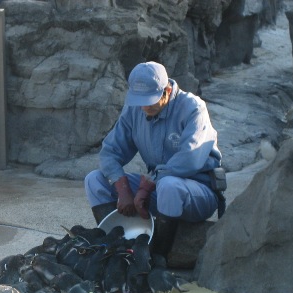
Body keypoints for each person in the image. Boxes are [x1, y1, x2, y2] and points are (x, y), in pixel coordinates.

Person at [84, 61, 224, 260]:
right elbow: (109, 152)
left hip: (197, 192)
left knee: (168, 185)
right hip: (157, 191)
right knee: (94, 180)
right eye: (140, 100)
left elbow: (190, 160)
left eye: (150, 99)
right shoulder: (135, 109)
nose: (144, 106)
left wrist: (148, 185)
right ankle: (116, 248)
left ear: (167, 90)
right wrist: (122, 188)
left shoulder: (193, 108)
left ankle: (157, 258)